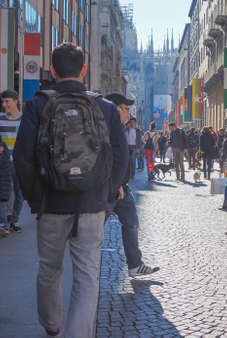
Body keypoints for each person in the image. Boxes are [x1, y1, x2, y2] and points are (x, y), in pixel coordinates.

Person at [14, 43, 128, 338]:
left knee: (49, 271)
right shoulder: (104, 107)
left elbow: (22, 158)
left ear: (52, 71)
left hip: (51, 204)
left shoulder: (37, 105)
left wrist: (35, 198)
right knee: (87, 276)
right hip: (91, 205)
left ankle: (52, 327)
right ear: (84, 70)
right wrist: (108, 195)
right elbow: (120, 155)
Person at [105, 93, 160, 277]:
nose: (129, 112)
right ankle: (87, 268)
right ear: (116, 109)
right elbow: (107, 159)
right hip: (110, 188)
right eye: (126, 108)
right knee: (95, 232)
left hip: (121, 188)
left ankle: (135, 265)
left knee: (131, 222)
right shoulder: (107, 128)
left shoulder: (120, 127)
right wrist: (116, 183)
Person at [0, 89, 24, 233]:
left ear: (15, 101)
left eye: (7, 101)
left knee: (19, 194)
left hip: (20, 163)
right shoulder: (0, 119)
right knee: (5, 193)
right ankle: (4, 223)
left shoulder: (25, 120)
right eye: (3, 102)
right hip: (4, 163)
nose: (4, 105)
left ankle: (13, 220)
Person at [0, 141, 12, 238]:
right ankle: (3, 226)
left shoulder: (3, 159)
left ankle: (4, 227)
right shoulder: (4, 158)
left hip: (2, 190)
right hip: (3, 189)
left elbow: (5, 178)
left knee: (2, 208)